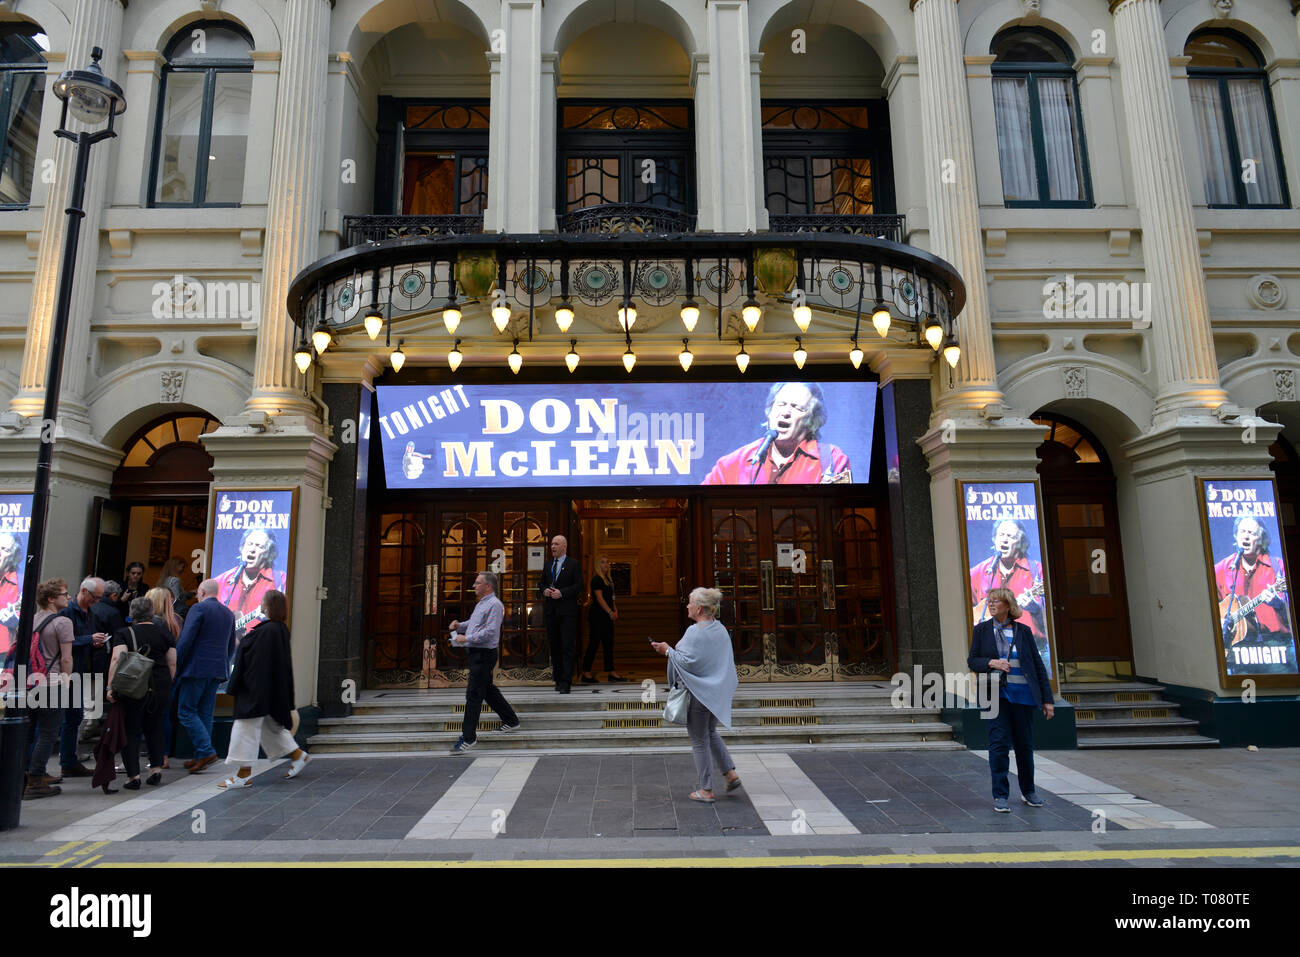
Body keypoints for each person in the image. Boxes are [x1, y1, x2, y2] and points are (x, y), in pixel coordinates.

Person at [650, 587, 741, 803]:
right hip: (714, 693)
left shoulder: (694, 632)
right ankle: (730, 773)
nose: (687, 606)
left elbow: (685, 661)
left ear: (699, 608)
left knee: (699, 740)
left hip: (698, 694)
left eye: (690, 602)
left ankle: (706, 789)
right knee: (710, 732)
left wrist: (666, 651)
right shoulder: (720, 629)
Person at [967, 586, 1055, 812]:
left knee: (1025, 746)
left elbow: (1037, 665)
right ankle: (1001, 795)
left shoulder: (1023, 631)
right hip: (994, 697)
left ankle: (1029, 792)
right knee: (998, 746)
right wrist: (991, 663)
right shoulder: (981, 630)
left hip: (1024, 696)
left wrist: (1047, 699)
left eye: (996, 601)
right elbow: (973, 661)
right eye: (990, 600)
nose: (992, 604)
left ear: (1008, 605)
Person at [219, 589, 309, 788]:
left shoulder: (270, 631)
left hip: (256, 690)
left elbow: (259, 662)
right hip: (263, 690)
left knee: (245, 730)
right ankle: (297, 755)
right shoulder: (275, 630)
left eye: (263, 601)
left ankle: (244, 774)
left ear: (268, 605)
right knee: (270, 727)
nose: (260, 604)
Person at [702, 382, 851, 485]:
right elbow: (699, 507)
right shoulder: (733, 463)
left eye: (796, 407)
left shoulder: (831, 460)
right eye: (780, 404)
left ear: (812, 420)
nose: (785, 412)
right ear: (769, 411)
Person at [105, 596, 176, 790]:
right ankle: (156, 769)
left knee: (132, 729)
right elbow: (172, 662)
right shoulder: (165, 633)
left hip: (133, 687)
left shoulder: (125, 633)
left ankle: (133, 776)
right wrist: (167, 682)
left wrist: (110, 687)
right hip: (160, 686)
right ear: (152, 613)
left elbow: (116, 660)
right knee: (155, 727)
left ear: (132, 613)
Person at [448, 572, 520, 754]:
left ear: (488, 586)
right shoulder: (482, 603)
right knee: (487, 689)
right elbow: (474, 623)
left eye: (477, 583)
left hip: (484, 654)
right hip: (476, 653)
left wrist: (467, 638)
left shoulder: (495, 605)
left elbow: (489, 632)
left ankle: (468, 737)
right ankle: (511, 720)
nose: (474, 585)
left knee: (473, 694)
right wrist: (460, 626)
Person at [173, 578, 236, 774]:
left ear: (201, 592)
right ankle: (201, 755)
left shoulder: (198, 610)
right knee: (205, 713)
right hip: (217, 670)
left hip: (196, 668)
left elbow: (186, 640)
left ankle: (206, 751)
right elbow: (231, 645)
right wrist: (223, 664)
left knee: (186, 711)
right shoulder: (228, 613)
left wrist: (177, 665)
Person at [23, 578, 74, 800]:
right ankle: (35, 781)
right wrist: (66, 681)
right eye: (64, 594)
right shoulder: (62, 623)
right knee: (48, 733)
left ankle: (28, 773)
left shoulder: (32, 619)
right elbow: (66, 658)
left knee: (29, 731)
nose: (68, 597)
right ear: (51, 598)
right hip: (52, 683)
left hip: (30, 682)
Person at [56, 577, 109, 778]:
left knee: (75, 717)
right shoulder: (67, 612)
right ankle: (62, 763)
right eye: (95, 597)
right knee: (61, 719)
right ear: (84, 591)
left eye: (99, 598)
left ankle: (69, 761)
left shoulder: (90, 614)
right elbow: (63, 641)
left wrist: (95, 643)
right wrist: (89, 639)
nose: (97, 601)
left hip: (81, 670)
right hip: (67, 672)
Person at [1214, 515, 1291, 650]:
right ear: (1236, 536)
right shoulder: (1221, 569)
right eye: (1242, 532)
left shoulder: (1278, 566)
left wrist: (1278, 603)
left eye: (1251, 533)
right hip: (1236, 645)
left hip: (1276, 644)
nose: (1245, 537)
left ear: (1261, 539)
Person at [969, 519, 1047, 643]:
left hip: (1030, 647)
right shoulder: (978, 572)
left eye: (1010, 536)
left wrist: (1035, 609)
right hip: (991, 650)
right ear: (994, 539)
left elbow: (1054, 616)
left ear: (1021, 542)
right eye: (1001, 535)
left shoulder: (1037, 570)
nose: (1004, 540)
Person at [216, 526, 288, 638]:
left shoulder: (281, 581)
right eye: (249, 544)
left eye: (259, 546)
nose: (252, 549)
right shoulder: (221, 581)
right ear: (242, 548)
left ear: (268, 553)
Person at [539, 534, 581, 694]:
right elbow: (541, 583)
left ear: (564, 546)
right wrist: (545, 591)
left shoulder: (573, 564)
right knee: (555, 646)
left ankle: (566, 681)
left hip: (567, 613)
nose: (553, 547)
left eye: (556, 544)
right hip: (551, 612)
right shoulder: (548, 564)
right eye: (551, 544)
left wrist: (562, 593)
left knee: (567, 646)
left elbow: (579, 585)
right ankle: (557, 679)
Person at [148, 585, 183, 768]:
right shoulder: (176, 621)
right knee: (165, 716)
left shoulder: (151, 623)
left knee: (141, 715)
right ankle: (164, 755)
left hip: (149, 673)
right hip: (169, 674)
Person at [581, 556, 627, 683]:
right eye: (602, 562)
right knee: (594, 643)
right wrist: (610, 612)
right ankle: (586, 672)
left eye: (607, 562)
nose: (606, 564)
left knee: (609, 644)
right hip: (597, 616)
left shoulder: (609, 580)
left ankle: (611, 672)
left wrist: (615, 610)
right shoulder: (597, 579)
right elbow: (599, 599)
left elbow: (612, 598)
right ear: (598, 565)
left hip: (607, 616)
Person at [0, 532, 23, 654]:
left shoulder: (21, 584)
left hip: (5, 655)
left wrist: (15, 620)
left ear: (14, 557)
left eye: (4, 549)